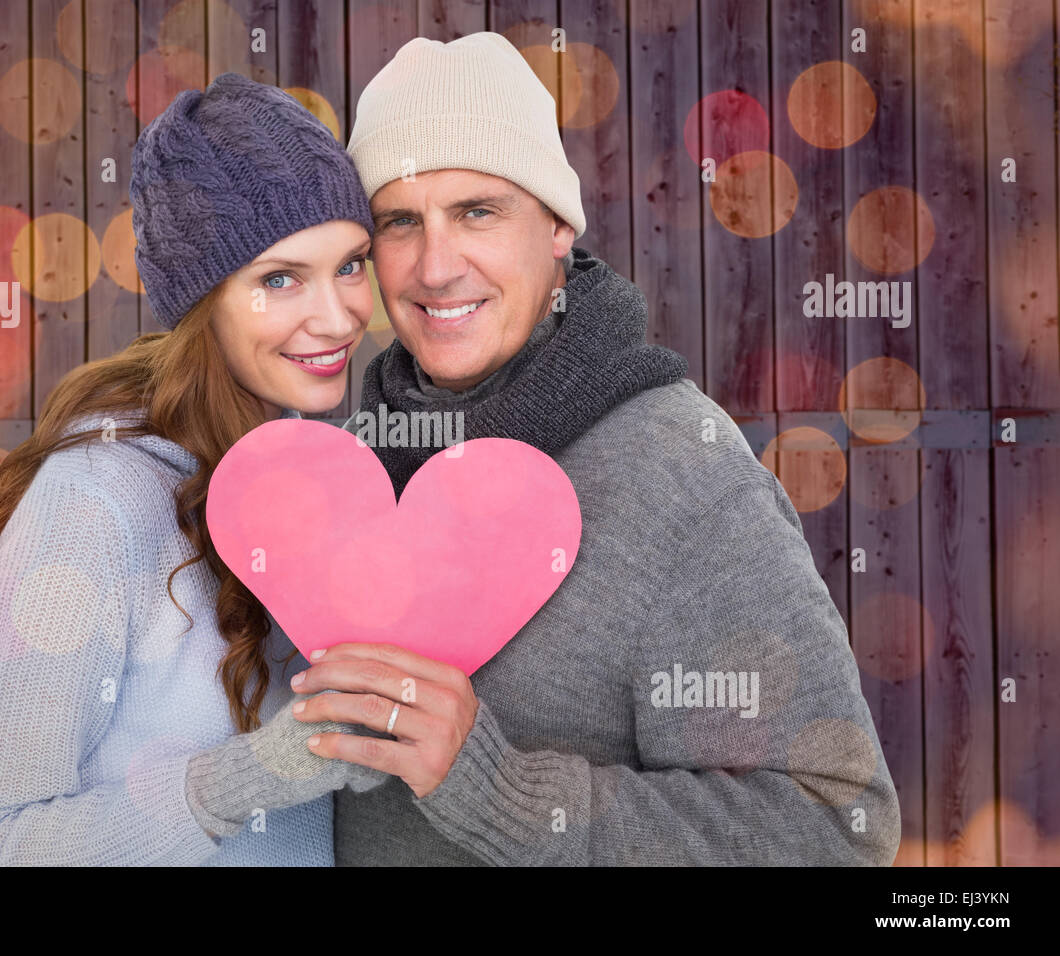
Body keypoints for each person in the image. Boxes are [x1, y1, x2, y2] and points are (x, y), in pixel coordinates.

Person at [285, 32, 904, 866]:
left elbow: (836, 829)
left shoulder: (680, 474)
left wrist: (501, 790)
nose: (435, 267)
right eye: (400, 222)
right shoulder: (360, 461)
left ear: (555, 229)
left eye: (478, 211)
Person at [0, 72, 388, 866]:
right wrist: (244, 781)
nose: (341, 315)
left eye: (350, 264)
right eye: (280, 279)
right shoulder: (97, 502)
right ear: (202, 301)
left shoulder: (303, 486)